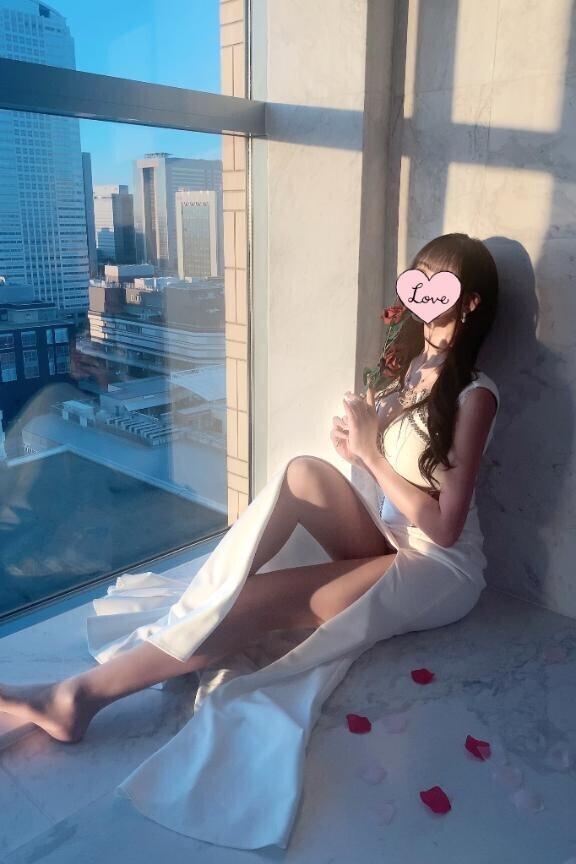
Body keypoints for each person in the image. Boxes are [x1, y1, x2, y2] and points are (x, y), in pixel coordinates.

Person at [0, 231, 501, 850]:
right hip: (390, 537)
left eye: (438, 286)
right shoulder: (409, 373)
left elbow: (446, 527)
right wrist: (356, 451)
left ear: (469, 302)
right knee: (303, 471)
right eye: (416, 281)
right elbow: (382, 475)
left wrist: (372, 452)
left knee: (261, 603)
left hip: (439, 566)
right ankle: (212, 598)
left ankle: (77, 698)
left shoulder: (475, 394)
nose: (422, 298)